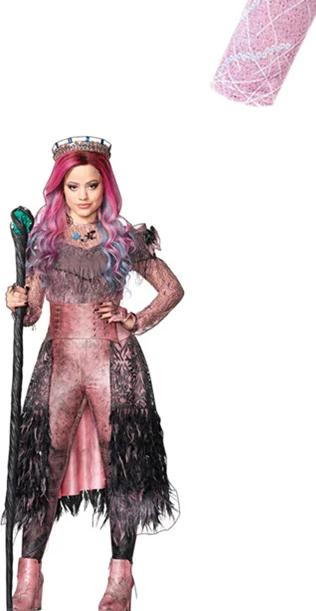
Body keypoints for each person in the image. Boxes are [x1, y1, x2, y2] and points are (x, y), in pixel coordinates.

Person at [4, 136, 183, 611]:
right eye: (73, 186)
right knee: (42, 467)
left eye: (92, 185)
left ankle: (119, 579)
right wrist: (16, 301)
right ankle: (29, 578)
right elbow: (32, 314)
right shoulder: (42, 243)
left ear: (106, 187)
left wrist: (135, 319)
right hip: (60, 365)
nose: (83, 195)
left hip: (114, 364)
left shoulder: (123, 240)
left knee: (124, 464)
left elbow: (171, 288)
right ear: (59, 189)